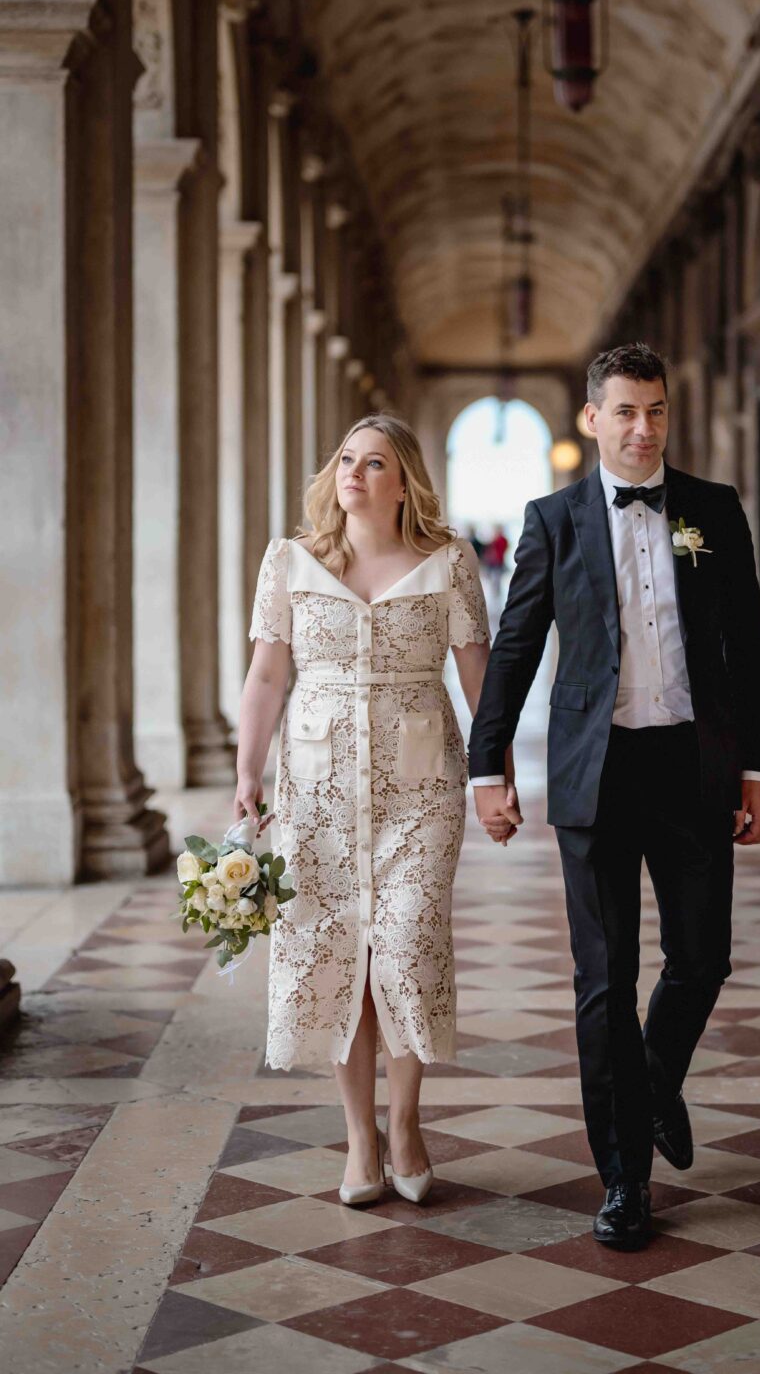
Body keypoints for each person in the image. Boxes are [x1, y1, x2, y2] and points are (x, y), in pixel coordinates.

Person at [469, 342, 760, 1251]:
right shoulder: (552, 519)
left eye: (656, 411)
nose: (643, 430)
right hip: (592, 776)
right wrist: (490, 769)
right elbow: (516, 646)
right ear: (591, 419)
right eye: (626, 413)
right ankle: (621, 1181)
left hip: (692, 766)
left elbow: (747, 648)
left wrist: (753, 768)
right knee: (602, 981)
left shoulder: (713, 510)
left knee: (701, 960)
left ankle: (652, 1078)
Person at [235, 414, 515, 1208]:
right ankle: (359, 1136)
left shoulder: (448, 561)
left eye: (376, 462)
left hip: (420, 787)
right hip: (316, 791)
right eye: (347, 459)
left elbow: (476, 673)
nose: (355, 472)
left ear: (404, 483)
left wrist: (495, 775)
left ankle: (407, 1122)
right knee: (335, 959)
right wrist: (246, 772)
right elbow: (265, 676)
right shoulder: (289, 561)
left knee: (404, 944)